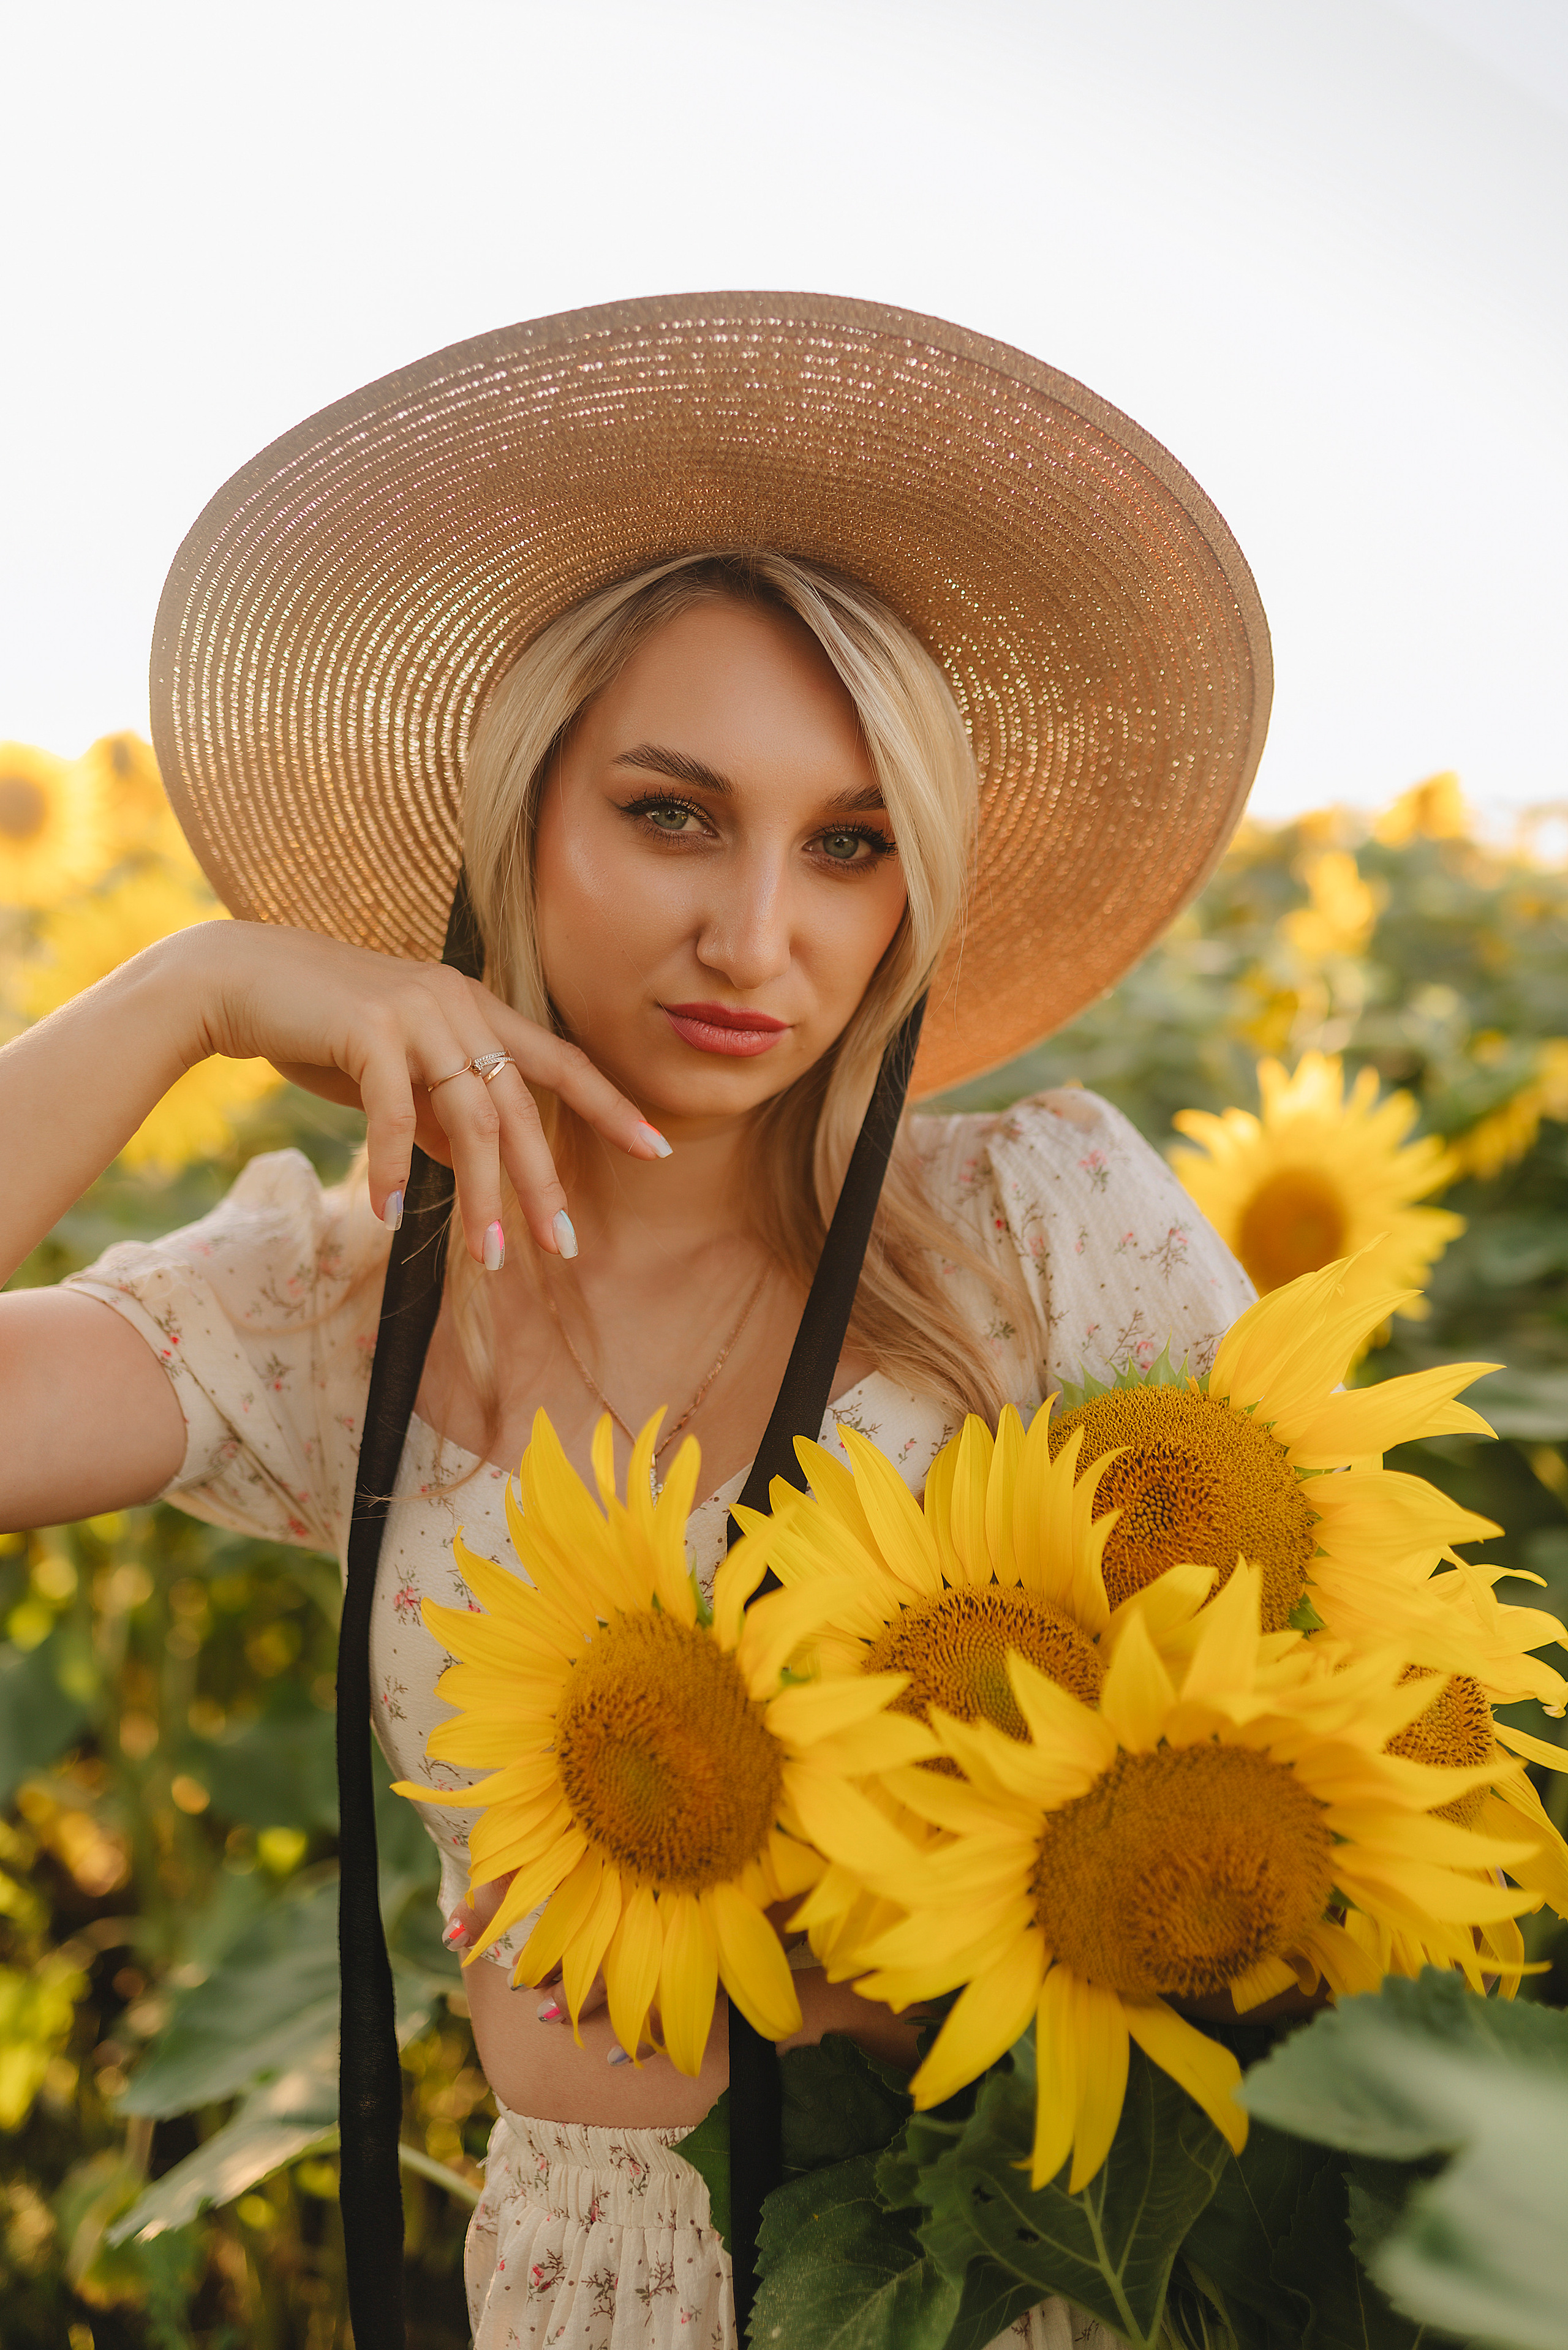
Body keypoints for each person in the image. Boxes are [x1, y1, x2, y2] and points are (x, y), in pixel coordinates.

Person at [0, 295, 1269, 2349]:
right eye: (673, 812)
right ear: (523, 820)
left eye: (849, 847)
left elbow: (1332, 1877)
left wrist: (782, 1943)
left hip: (1026, 2281)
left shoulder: (1042, 1235)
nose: (760, 936)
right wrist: (192, 991)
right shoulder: (346, 1312)